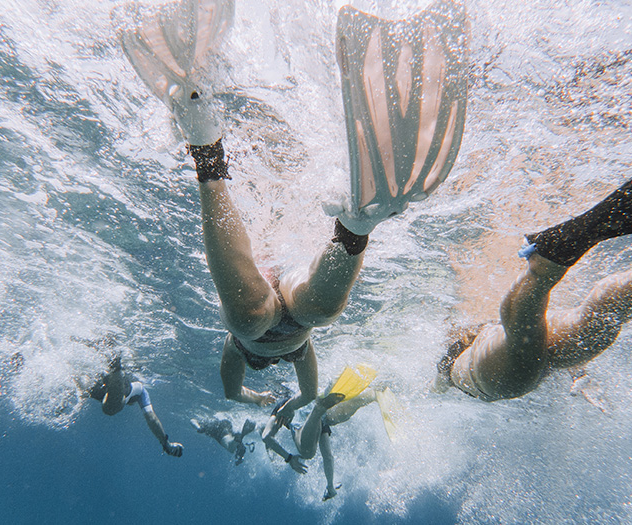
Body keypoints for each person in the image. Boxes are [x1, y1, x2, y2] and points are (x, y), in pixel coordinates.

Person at [117, 0, 469, 421]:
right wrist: (283, 402)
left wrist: (263, 401)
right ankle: (349, 221)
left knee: (269, 318)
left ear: (259, 363)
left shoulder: (244, 350)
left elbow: (236, 392)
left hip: (277, 297)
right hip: (292, 297)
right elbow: (299, 394)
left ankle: (345, 220)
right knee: (309, 313)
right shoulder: (295, 355)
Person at [435, 142, 632, 401]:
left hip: (484, 372)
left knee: (521, 347)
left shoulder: (461, 348)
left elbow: (444, 374)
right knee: (593, 321)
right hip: (544, 359)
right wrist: (582, 380)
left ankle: (544, 265)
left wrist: (433, 389)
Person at [261, 389, 379, 501]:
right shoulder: (311, 417)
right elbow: (327, 456)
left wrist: (289, 458)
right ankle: (373, 394)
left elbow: (266, 436)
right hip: (316, 408)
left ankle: (318, 409)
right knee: (331, 418)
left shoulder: (283, 406)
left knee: (307, 453)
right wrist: (330, 486)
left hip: (309, 414)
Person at [77, 337, 184, 457]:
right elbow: (152, 419)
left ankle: (83, 348)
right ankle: (115, 366)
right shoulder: (140, 391)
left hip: (103, 383)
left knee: (84, 385)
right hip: (120, 383)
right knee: (110, 409)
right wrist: (166, 444)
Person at [191, 417, 257, 465]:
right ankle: (239, 436)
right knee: (232, 443)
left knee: (231, 448)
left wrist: (198, 428)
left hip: (219, 431)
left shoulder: (209, 424)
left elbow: (192, 420)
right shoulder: (209, 423)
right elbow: (192, 420)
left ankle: (239, 437)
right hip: (227, 428)